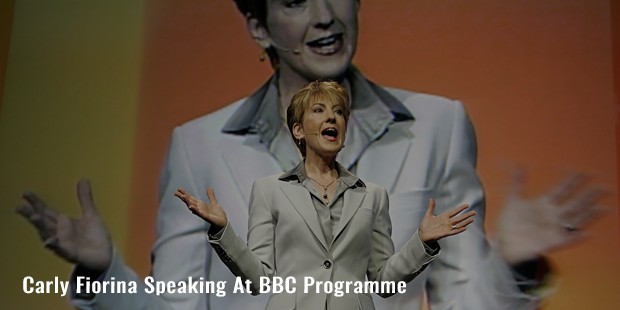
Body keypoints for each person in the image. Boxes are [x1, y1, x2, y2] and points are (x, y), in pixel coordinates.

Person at [15, 0, 604, 309]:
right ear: (258, 25)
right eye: (296, 0)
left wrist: (513, 267)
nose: (325, 15)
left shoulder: (438, 126)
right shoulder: (198, 146)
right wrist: (102, 272)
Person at [173, 80, 477, 309]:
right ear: (298, 131)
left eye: (339, 112)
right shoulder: (270, 190)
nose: (332, 118)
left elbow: (384, 281)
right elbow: (260, 278)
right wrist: (222, 230)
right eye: (319, 111)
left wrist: (421, 243)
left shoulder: (372, 196)